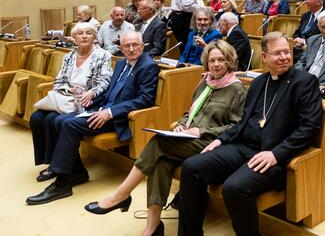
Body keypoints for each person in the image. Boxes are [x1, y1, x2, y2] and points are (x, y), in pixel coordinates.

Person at [84, 41, 246, 236]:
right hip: (189, 138)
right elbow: (191, 112)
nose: (216, 64)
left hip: (211, 144)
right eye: (212, 60)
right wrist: (181, 124)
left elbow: (236, 127)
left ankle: (121, 195)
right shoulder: (205, 82)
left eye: (221, 60)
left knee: (158, 143)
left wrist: (200, 131)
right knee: (161, 161)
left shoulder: (237, 89)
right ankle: (152, 227)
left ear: (229, 62)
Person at [177, 31, 322, 235]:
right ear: (264, 57)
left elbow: (309, 127)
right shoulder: (259, 82)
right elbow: (243, 122)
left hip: (272, 156)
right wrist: (221, 139)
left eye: (286, 52)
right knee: (191, 167)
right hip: (243, 147)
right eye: (277, 53)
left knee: (233, 188)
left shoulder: (305, 82)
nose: (284, 57)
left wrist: (276, 154)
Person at [27, 31, 158, 205]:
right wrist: (90, 100)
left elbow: (144, 99)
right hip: (101, 110)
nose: (132, 49)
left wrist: (109, 113)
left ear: (143, 46)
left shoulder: (148, 66)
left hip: (118, 118)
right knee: (59, 120)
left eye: (135, 45)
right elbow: (111, 92)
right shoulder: (121, 63)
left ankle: (61, 185)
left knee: (69, 125)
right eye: (127, 46)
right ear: (121, 48)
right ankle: (78, 172)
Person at [29, 23, 113, 184]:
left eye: (89, 33)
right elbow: (59, 80)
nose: (84, 36)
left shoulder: (103, 55)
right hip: (67, 99)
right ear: (74, 38)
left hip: (89, 100)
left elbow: (105, 81)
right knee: (37, 117)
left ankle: (61, 167)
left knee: (52, 120)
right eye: (80, 33)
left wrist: (90, 92)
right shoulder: (69, 56)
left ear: (94, 37)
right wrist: (66, 90)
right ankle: (52, 162)